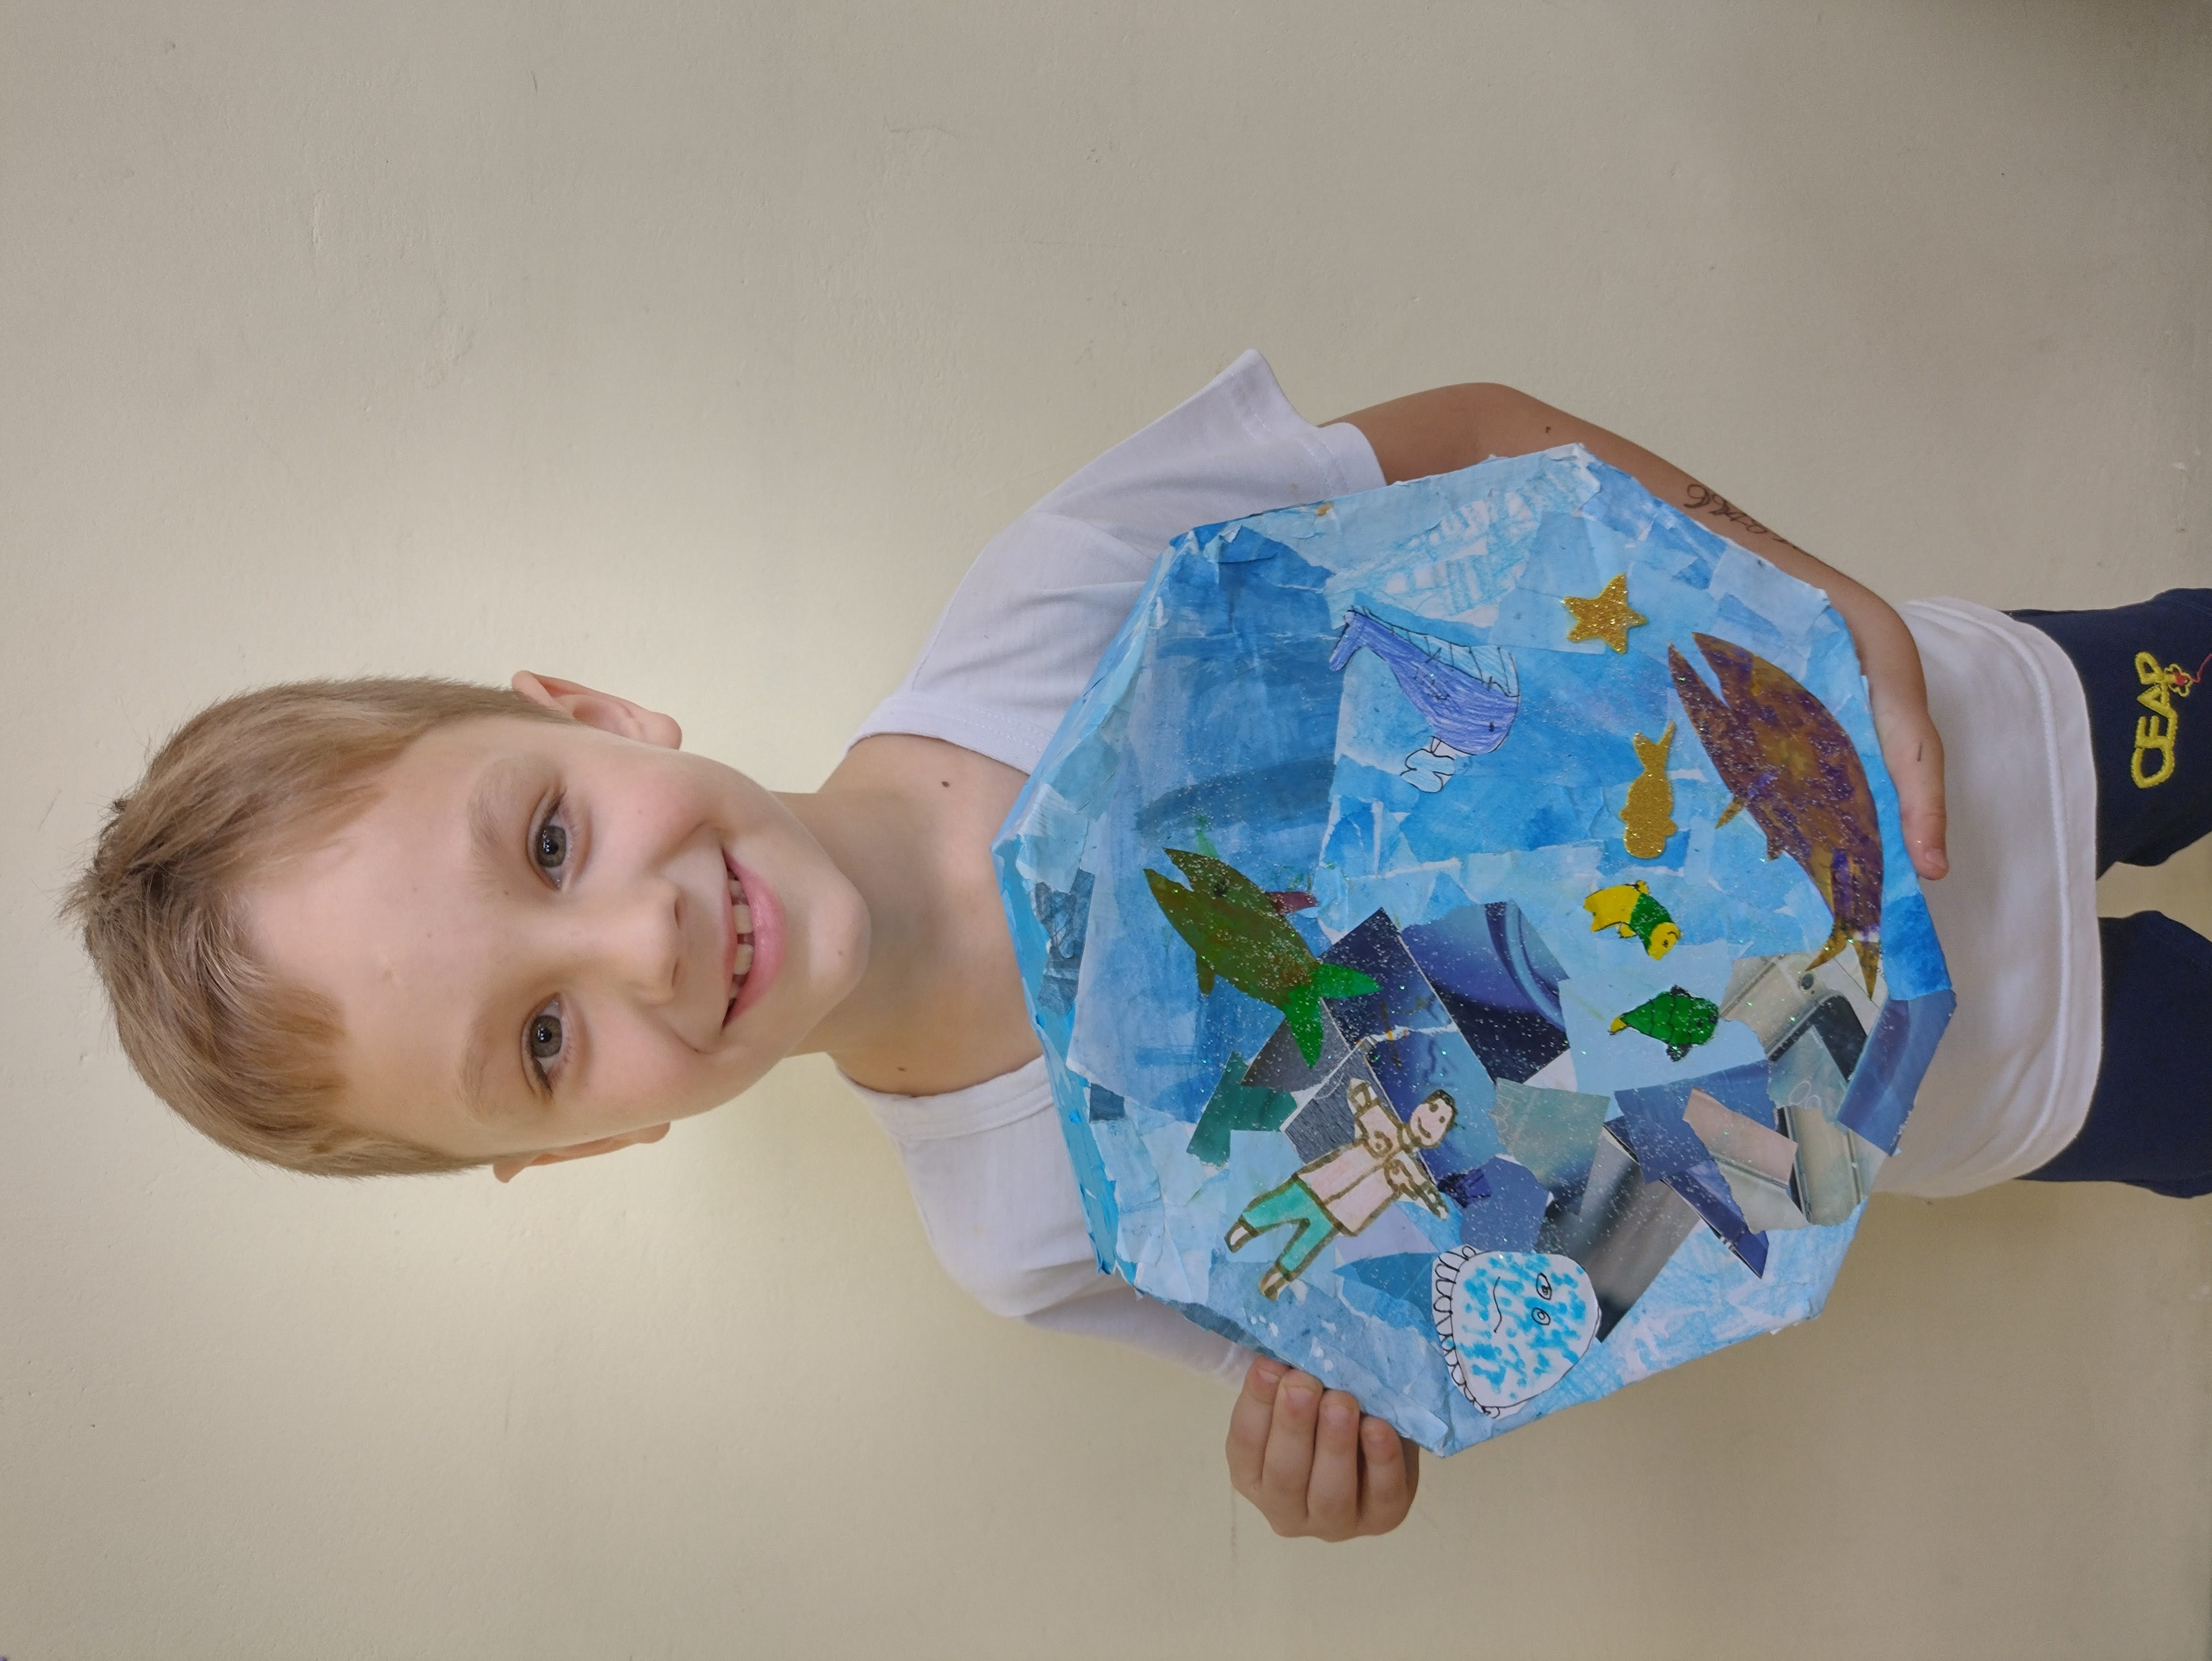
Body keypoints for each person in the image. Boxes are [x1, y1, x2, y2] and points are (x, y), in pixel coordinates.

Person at [65, 351, 2210, 1546]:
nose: (638, 936)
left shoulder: (1049, 595)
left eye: (551, 835)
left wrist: (1814, 592)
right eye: (541, 1042)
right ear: (579, 1150)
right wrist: (1335, 1449)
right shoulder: (1019, 1228)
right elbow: (1449, 1293)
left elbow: (1482, 438)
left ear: (592, 712)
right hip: (1982, 1082)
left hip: (1986, 720)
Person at [1227, 1081, 1456, 1298]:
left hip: (1342, 1213)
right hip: (1320, 1182)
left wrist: (1438, 1205)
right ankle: (1245, 1228)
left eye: (1442, 1121)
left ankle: (1277, 1280)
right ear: (1420, 1107)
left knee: (1307, 1244)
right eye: (1432, 1108)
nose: (1432, 1121)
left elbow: (1433, 1202)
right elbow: (1359, 1091)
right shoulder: (1383, 1124)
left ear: (1440, 1137)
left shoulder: (1412, 1172)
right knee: (1280, 1205)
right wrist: (1365, 1097)